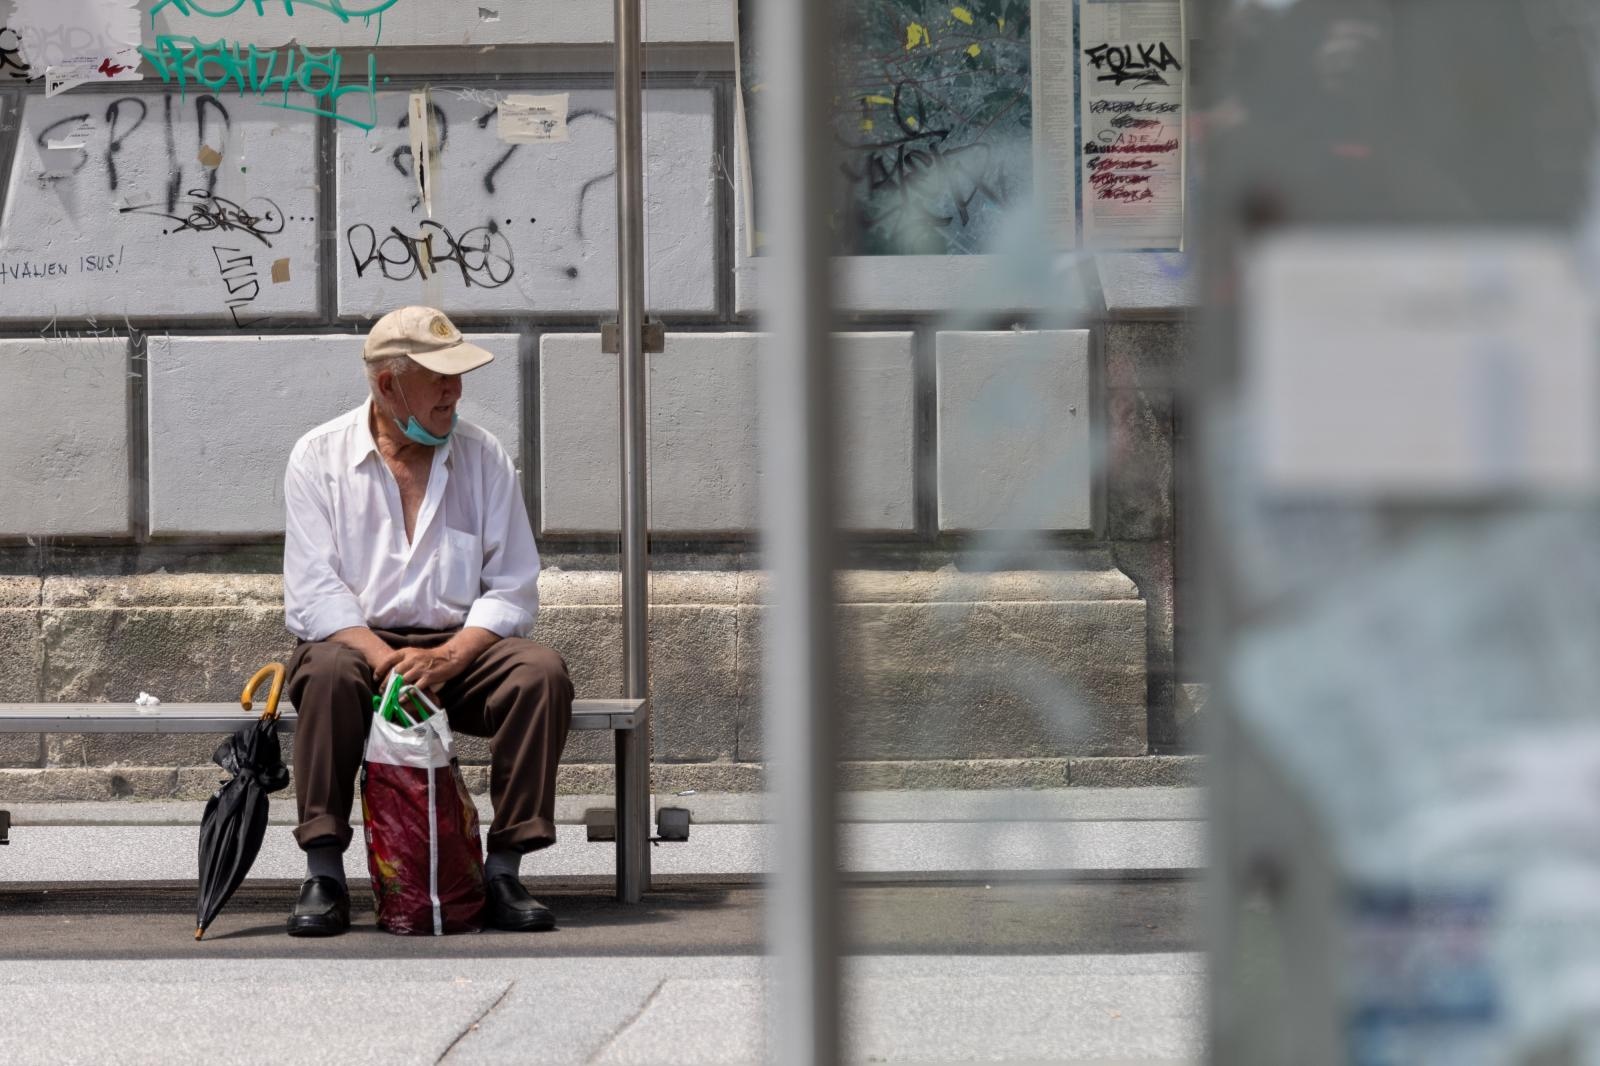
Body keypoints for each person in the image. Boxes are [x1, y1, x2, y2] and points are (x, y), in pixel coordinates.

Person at [280, 305, 572, 937]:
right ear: (388, 385)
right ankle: (324, 871)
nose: (454, 391)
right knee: (328, 672)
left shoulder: (482, 455)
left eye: (457, 376)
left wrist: (450, 657)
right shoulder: (319, 458)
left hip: (456, 648)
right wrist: (385, 660)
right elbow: (314, 594)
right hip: (356, 645)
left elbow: (513, 584)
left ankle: (501, 867)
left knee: (540, 673)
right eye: (438, 378)